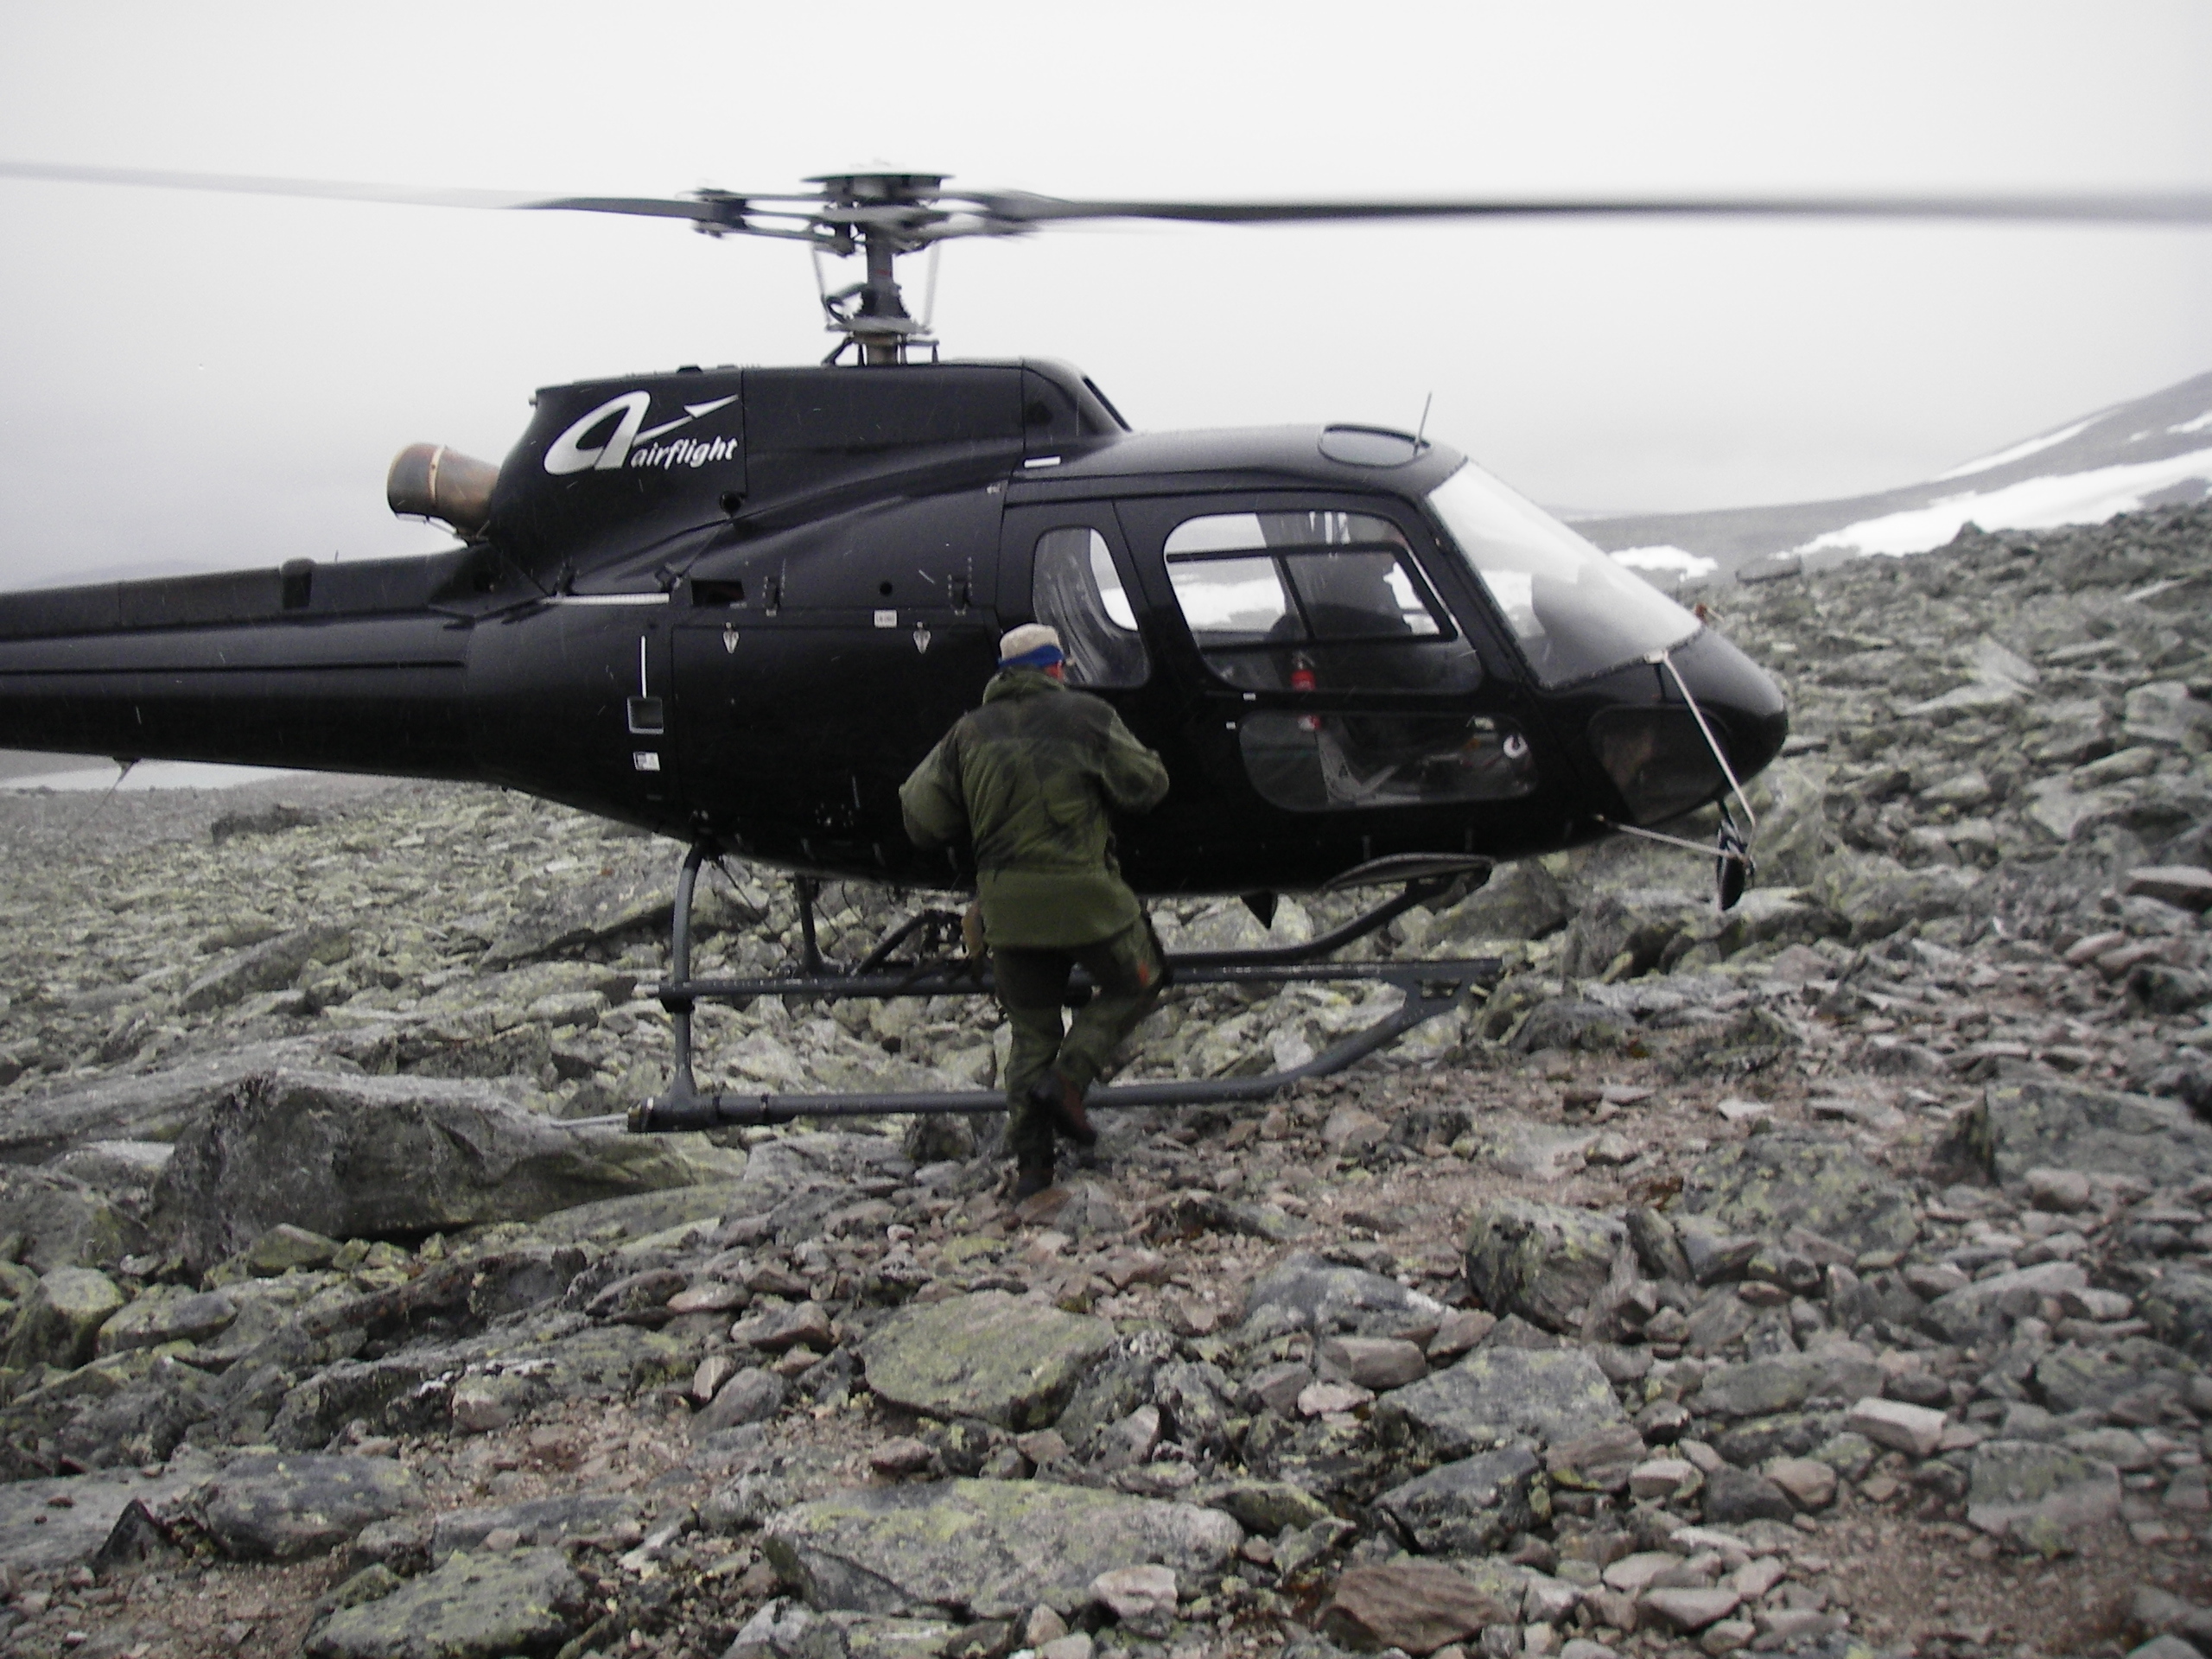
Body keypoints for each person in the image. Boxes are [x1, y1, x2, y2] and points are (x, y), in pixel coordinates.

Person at [899, 623, 1171, 1199]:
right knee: (1142, 981)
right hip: (1088, 902)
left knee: (1030, 1032)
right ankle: (1069, 1081)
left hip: (1008, 912)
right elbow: (1148, 786)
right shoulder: (1086, 716)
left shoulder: (967, 733)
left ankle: (1032, 1169)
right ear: (1055, 668)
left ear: (1004, 675)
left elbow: (920, 817)